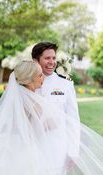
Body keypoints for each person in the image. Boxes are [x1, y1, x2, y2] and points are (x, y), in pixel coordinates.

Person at [0, 61, 103, 175]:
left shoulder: (20, 99)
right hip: (26, 155)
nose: (43, 78)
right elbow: (26, 131)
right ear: (30, 79)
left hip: (20, 152)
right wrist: (49, 124)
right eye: (40, 75)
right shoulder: (31, 103)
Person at [32, 42, 80, 173]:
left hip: (58, 149)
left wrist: (73, 151)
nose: (52, 62)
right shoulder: (26, 85)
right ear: (35, 60)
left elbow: (73, 120)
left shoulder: (66, 85)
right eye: (47, 58)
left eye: (53, 58)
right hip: (32, 148)